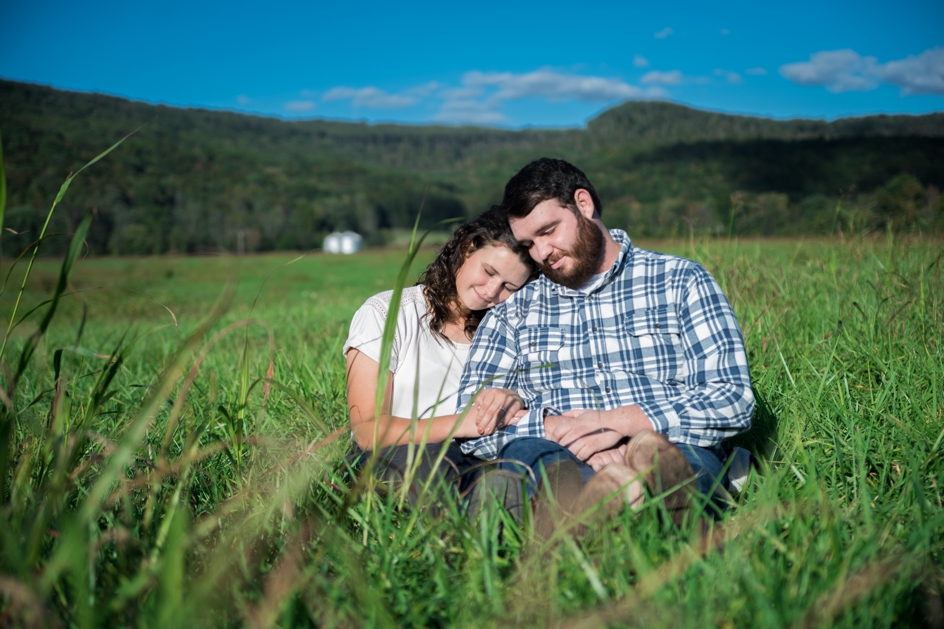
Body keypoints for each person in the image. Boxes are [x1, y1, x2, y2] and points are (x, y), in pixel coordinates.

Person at [455, 158, 754, 527]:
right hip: (556, 452)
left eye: (549, 231)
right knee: (533, 457)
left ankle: (633, 511)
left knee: (680, 463)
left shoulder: (681, 280)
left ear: (584, 204)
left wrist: (624, 423)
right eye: (529, 244)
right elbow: (473, 425)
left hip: (667, 440)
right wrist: (556, 429)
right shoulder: (512, 313)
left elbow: (733, 399)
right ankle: (603, 511)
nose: (541, 253)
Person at [343, 208, 537, 505]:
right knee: (431, 465)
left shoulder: (505, 333)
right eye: (488, 272)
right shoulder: (386, 313)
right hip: (397, 457)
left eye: (509, 287)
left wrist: (513, 400)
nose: (491, 291)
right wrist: (463, 423)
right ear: (466, 247)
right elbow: (367, 431)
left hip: (476, 458)